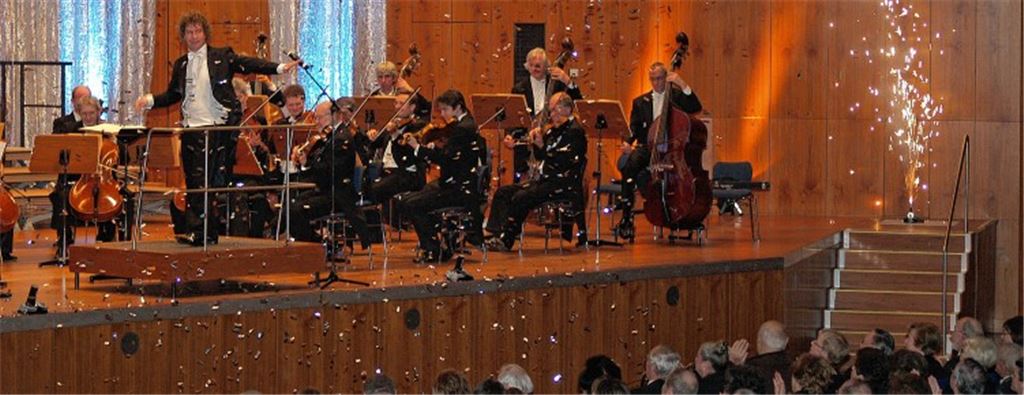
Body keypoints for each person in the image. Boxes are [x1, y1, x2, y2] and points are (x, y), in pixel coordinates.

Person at [134, 11, 299, 246]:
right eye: (189, 32)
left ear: (205, 33)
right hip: (191, 128)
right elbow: (173, 95)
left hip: (215, 128)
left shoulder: (222, 56)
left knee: (205, 182)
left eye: (197, 31)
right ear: (183, 36)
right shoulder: (181, 64)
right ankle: (203, 232)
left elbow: (249, 63)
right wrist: (150, 100)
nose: (193, 36)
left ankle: (201, 232)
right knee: (193, 181)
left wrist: (280, 68)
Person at [484, 92, 588, 251]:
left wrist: (543, 147)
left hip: (562, 182)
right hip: (546, 179)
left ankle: (508, 238)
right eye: (551, 111)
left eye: (554, 110)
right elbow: (541, 155)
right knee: (504, 192)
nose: (551, 115)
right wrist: (537, 144)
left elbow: (563, 160)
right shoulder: (553, 130)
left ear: (566, 109)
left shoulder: (575, 131)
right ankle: (498, 234)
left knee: (522, 196)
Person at [615, 61, 702, 240]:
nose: (656, 83)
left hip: (672, 148)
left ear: (666, 78)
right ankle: (625, 216)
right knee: (629, 165)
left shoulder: (675, 96)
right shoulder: (640, 102)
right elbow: (634, 128)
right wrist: (627, 143)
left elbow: (695, 107)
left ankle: (679, 210)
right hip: (649, 147)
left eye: (660, 78)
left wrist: (681, 83)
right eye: (653, 79)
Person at [398, 89, 488, 263]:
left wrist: (418, 147)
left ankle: (433, 249)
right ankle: (444, 242)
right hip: (456, 182)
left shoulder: (462, 129)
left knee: (412, 204)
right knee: (411, 198)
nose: (443, 114)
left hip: (458, 188)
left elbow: (446, 159)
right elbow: (451, 155)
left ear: (457, 108)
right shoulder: (466, 124)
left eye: (445, 110)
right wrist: (437, 149)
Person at [286, 100, 372, 252]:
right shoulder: (332, 136)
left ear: (334, 115)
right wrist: (305, 161)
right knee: (291, 204)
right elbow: (322, 166)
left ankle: (313, 248)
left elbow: (331, 171)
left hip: (338, 195)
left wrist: (308, 164)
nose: (317, 122)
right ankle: (319, 245)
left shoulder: (341, 139)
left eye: (320, 118)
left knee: (297, 210)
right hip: (328, 190)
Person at [506, 47, 583, 184]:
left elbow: (577, 101)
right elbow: (513, 116)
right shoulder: (518, 88)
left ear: (546, 66)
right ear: (527, 66)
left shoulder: (557, 84)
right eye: (532, 65)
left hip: (550, 141)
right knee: (521, 187)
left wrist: (568, 81)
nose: (535, 69)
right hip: (526, 146)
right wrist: (510, 135)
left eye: (538, 66)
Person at [362, 93, 427, 211]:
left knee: (374, 190)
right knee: (361, 185)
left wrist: (396, 134)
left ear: (412, 107)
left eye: (401, 104)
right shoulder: (394, 123)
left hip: (406, 173)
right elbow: (374, 143)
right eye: (395, 103)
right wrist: (371, 135)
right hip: (386, 171)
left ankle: (380, 222)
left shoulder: (418, 125)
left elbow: (408, 150)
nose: (397, 107)